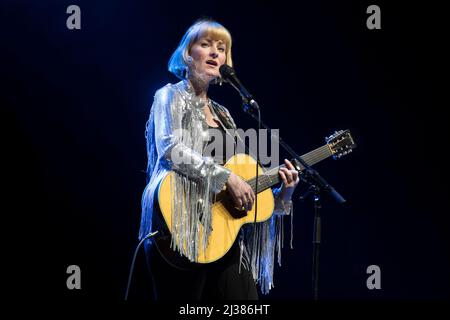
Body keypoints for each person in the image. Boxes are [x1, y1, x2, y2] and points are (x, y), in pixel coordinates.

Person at [139, 18, 299, 300]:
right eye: (205, 44)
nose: (215, 52)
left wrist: (284, 192)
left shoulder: (224, 114)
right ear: (188, 55)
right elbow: (169, 148)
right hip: (181, 230)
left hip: (223, 239)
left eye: (221, 48)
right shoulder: (169, 95)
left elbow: (245, 193)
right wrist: (226, 178)